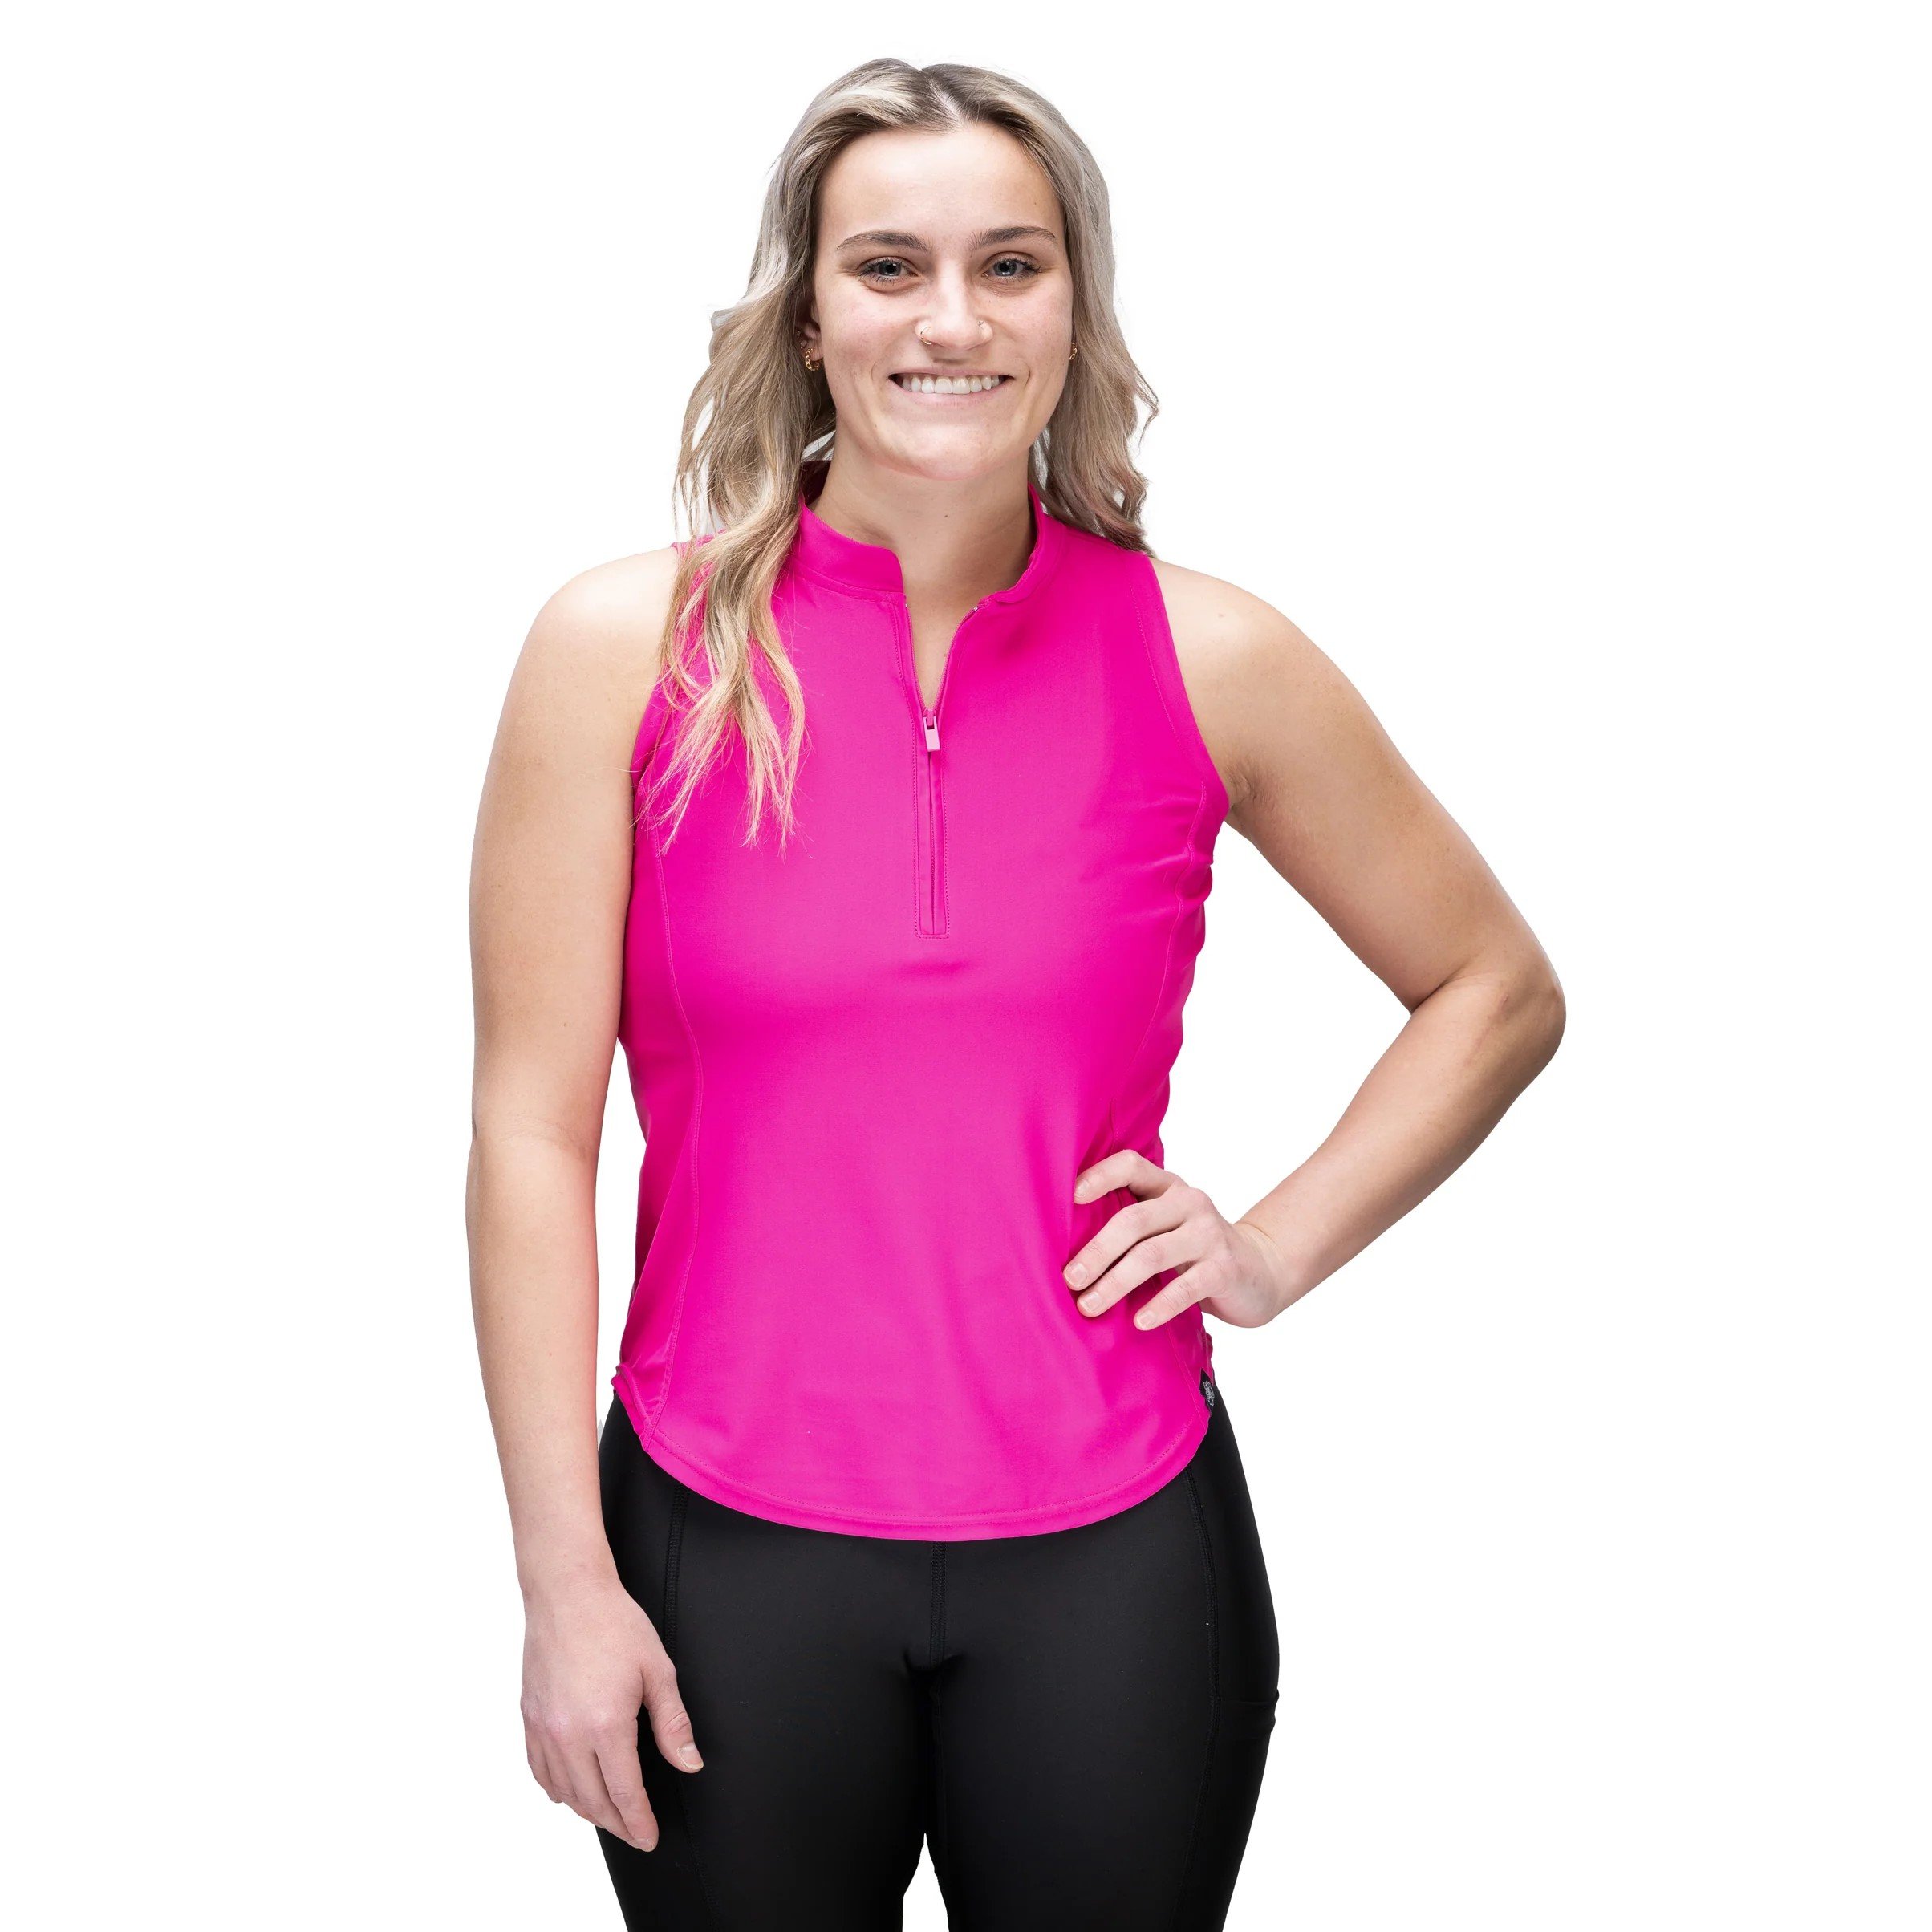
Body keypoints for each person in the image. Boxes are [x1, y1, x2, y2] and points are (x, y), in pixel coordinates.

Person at [466, 57, 1565, 1932]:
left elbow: (1492, 985)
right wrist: (564, 1583)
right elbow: (529, 1133)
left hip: (1115, 1546)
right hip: (720, 1536)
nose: (951, 322)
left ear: (1074, 306)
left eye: (1010, 265)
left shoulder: (1211, 654)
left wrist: (1274, 1246)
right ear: (807, 313)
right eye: (888, 266)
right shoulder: (623, 651)